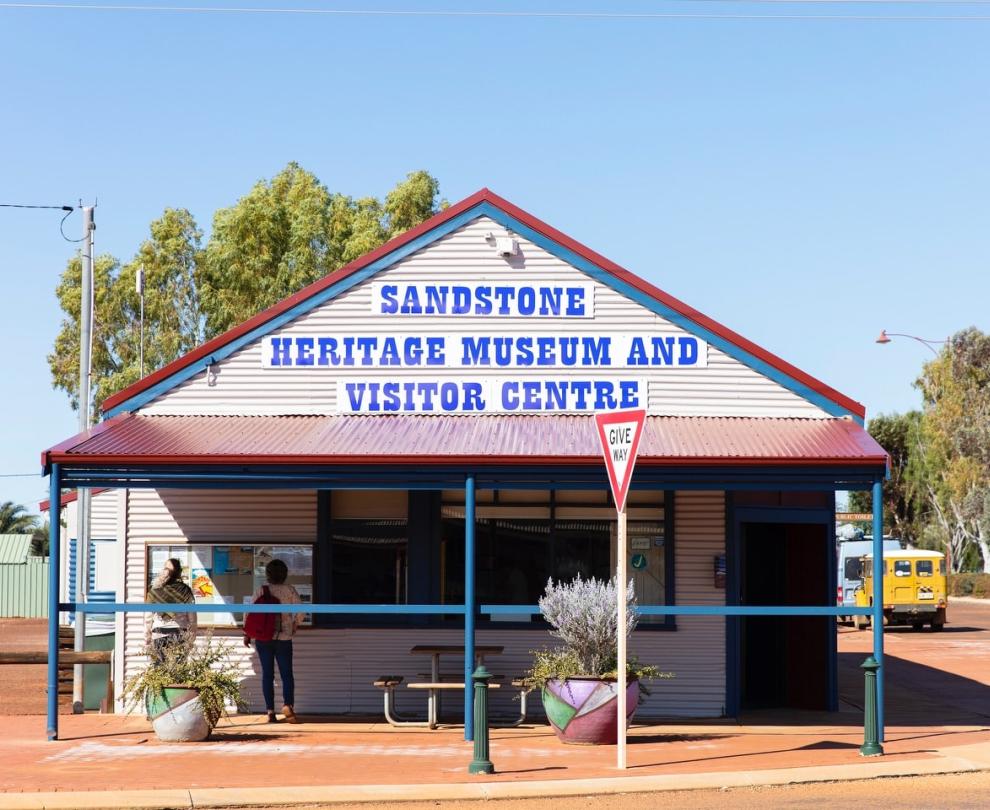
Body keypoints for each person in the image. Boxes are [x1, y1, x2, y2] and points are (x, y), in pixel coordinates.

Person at [244, 559, 303, 723]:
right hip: (284, 637)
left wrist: (247, 634)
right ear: (285, 574)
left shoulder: (261, 590)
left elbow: (248, 613)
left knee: (267, 675)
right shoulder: (289, 590)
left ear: (267, 574)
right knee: (287, 675)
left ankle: (270, 711)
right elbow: (301, 610)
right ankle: (288, 705)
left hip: (263, 638)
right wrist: (294, 624)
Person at [144, 557, 197, 663]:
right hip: (180, 634)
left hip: (159, 633)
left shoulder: (155, 590)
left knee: (159, 671)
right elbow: (192, 617)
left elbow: (148, 617)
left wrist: (147, 638)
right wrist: (191, 637)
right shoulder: (185, 590)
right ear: (179, 572)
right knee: (179, 671)